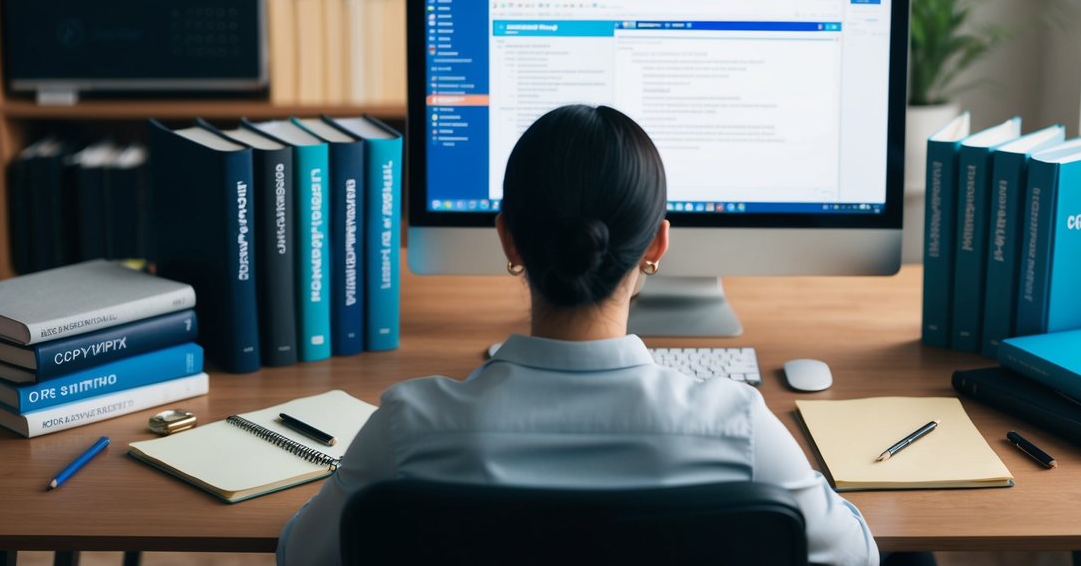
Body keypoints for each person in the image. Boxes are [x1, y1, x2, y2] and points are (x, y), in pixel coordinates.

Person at [278, 104, 880, 566]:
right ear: (656, 245)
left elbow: (300, 554)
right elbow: (856, 554)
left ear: (508, 238)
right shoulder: (737, 427)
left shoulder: (408, 428)